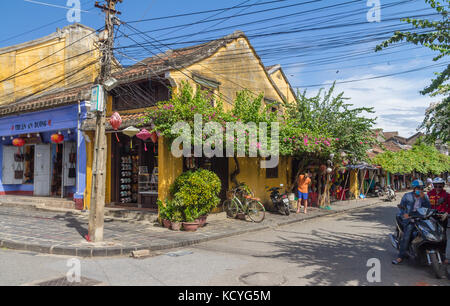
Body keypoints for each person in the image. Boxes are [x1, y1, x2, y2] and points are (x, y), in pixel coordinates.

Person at [392, 179, 431, 265]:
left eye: (421, 188)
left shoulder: (424, 197)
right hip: (410, 220)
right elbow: (402, 208)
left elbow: (428, 207)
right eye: (417, 188)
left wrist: (424, 198)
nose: (419, 189)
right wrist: (405, 215)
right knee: (406, 237)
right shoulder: (407, 196)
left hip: (421, 219)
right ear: (414, 188)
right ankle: (400, 257)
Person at [427, 177, 449, 264]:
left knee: (443, 237)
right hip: (431, 217)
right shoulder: (429, 194)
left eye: (440, 186)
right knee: (431, 235)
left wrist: (446, 213)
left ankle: (442, 254)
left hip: (442, 218)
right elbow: (424, 204)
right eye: (436, 186)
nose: (438, 188)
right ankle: (429, 251)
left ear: (443, 186)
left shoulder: (446, 195)